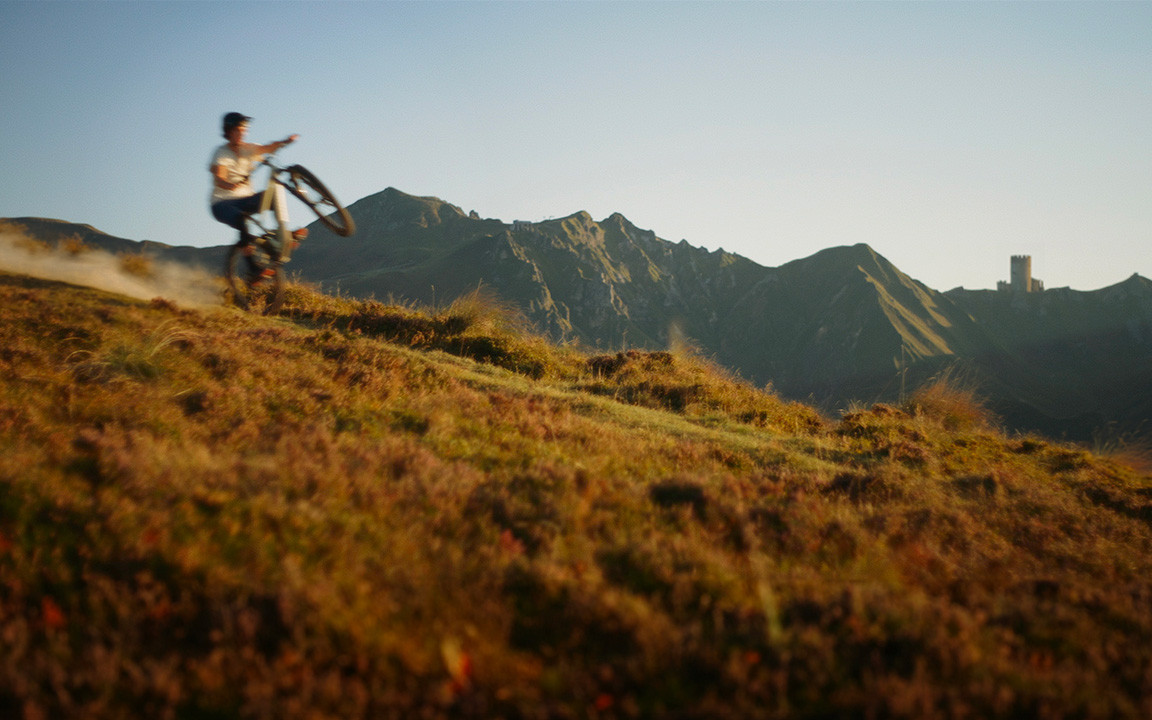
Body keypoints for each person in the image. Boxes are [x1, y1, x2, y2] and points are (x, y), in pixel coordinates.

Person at [208, 112, 298, 275]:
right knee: (241, 220)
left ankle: (283, 235)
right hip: (222, 203)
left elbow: (268, 148)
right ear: (229, 132)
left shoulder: (248, 149)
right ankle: (253, 268)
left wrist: (286, 141)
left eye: (244, 130)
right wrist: (230, 184)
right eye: (238, 130)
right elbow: (218, 178)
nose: (242, 133)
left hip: (245, 199)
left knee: (273, 195)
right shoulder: (221, 152)